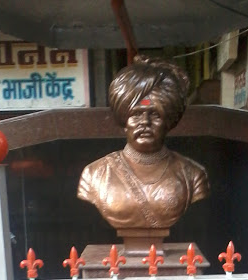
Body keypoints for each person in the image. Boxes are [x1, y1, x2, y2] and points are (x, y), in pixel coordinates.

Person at [77, 56, 210, 230]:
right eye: (136, 114)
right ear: (124, 121)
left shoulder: (193, 176)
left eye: (155, 114)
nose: (145, 122)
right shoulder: (94, 175)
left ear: (168, 121)